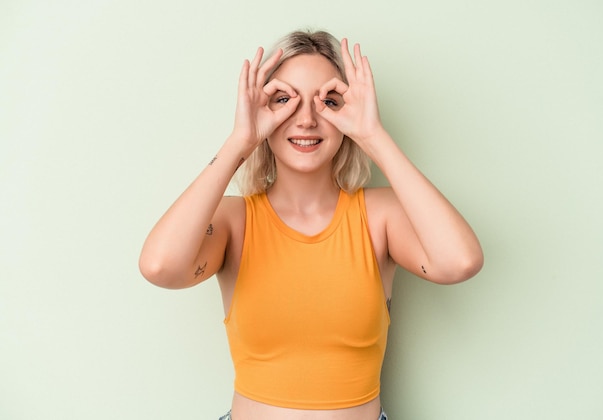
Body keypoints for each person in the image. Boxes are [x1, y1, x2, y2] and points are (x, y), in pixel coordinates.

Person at [139, 29, 483, 420]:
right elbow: (160, 268)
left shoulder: (379, 215)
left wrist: (374, 137)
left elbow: (460, 262)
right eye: (284, 100)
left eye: (328, 102)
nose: (305, 120)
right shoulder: (236, 220)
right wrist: (240, 141)